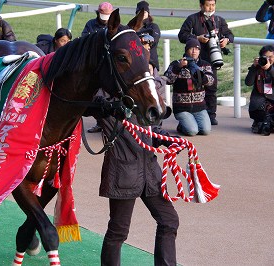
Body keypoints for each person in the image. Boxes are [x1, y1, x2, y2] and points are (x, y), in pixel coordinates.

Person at [91, 98, 179, 266]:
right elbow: (87, 103)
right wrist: (107, 105)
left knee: (169, 220)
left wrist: (167, 139)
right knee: (118, 230)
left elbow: (151, 129)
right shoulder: (107, 102)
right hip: (123, 175)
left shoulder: (141, 98)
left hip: (151, 174)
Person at [178, 0, 234, 126]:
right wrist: (197, 38)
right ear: (201, 5)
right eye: (208, 5)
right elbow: (182, 35)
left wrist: (226, 40)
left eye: (213, 5)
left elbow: (230, 35)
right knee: (191, 86)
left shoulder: (219, 20)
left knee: (211, 88)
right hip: (194, 59)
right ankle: (191, 114)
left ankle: (211, 115)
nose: (210, 8)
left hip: (212, 59)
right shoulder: (192, 19)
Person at [164, 39, 214, 136]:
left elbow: (211, 81)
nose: (194, 51)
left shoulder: (204, 65)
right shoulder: (176, 63)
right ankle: (182, 126)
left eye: (197, 49)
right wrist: (178, 67)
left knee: (205, 130)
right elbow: (168, 80)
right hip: (182, 107)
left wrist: (198, 72)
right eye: (191, 48)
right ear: (186, 50)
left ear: (200, 51)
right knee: (192, 131)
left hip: (199, 107)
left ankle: (189, 122)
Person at [83, 2, 114, 133]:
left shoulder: (114, 25)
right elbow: (85, 40)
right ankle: (100, 122)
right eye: (102, 16)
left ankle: (112, 122)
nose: (104, 19)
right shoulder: (90, 24)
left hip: (109, 63)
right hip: (95, 63)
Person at [245, 45, 274, 136]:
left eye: (271, 57)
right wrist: (253, 67)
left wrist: (270, 69)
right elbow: (248, 83)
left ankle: (264, 123)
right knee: (262, 113)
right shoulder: (257, 67)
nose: (268, 60)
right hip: (259, 104)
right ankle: (264, 122)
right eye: (266, 57)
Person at [135, 1, 161, 71]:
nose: (143, 14)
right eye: (140, 12)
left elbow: (154, 40)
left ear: (148, 13)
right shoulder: (132, 28)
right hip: (135, 60)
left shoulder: (153, 27)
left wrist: (143, 40)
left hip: (151, 61)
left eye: (145, 12)